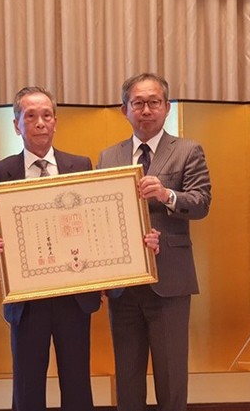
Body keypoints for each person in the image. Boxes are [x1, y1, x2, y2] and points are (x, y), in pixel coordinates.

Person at [0, 86, 160, 411]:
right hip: (27, 298)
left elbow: (96, 223)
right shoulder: (0, 171)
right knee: (27, 385)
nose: (40, 123)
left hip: (74, 296)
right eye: (30, 116)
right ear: (17, 124)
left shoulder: (80, 164)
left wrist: (134, 244)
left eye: (46, 115)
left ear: (56, 121)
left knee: (77, 385)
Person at [97, 73, 212, 411]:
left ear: (167, 107)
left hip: (170, 281)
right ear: (125, 110)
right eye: (138, 103)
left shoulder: (188, 150)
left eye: (154, 102)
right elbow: (100, 218)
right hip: (124, 285)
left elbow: (202, 203)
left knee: (171, 376)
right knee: (127, 376)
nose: (146, 110)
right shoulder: (108, 157)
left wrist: (166, 194)